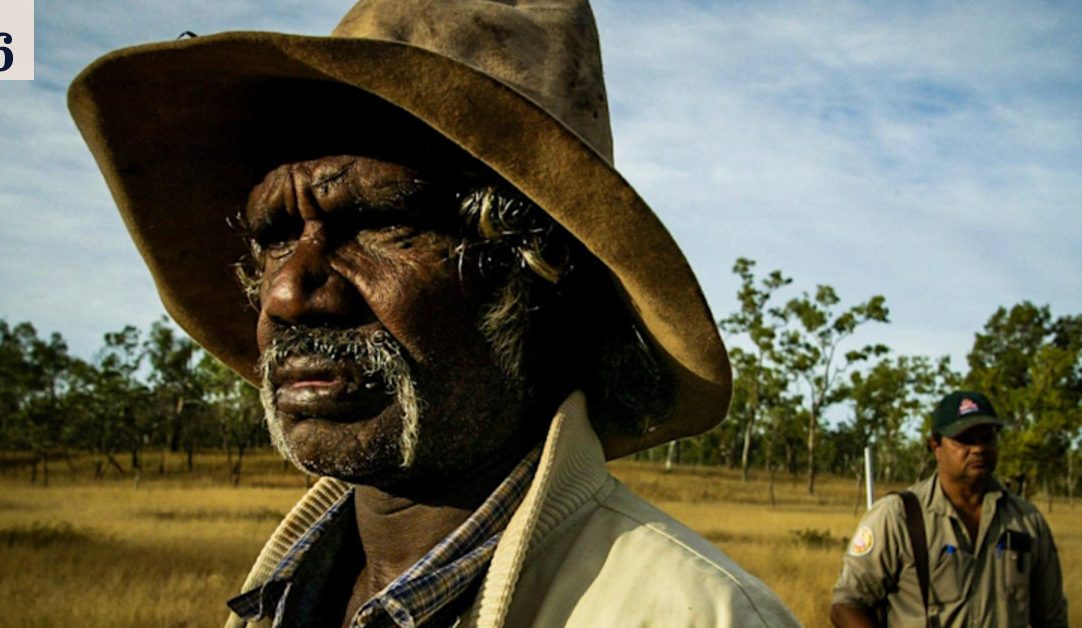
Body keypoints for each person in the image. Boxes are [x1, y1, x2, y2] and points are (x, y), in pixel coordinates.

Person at [69, 1, 800, 626]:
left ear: (539, 271)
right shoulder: (279, 599)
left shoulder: (695, 614)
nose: (288, 293)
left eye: (379, 223)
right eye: (273, 237)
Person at [831, 391, 1068, 627]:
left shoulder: (1027, 520)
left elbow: (1051, 617)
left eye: (987, 438)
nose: (978, 449)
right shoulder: (899, 515)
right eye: (965, 440)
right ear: (935, 446)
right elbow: (847, 605)